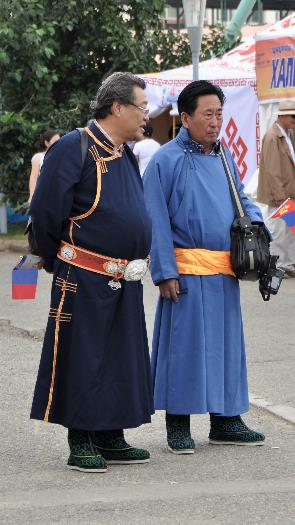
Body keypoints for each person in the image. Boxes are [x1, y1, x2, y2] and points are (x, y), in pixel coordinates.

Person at [30, 72, 154, 473]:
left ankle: (110, 434)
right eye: (142, 108)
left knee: (121, 357)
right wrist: (58, 261)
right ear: (117, 107)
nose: (146, 117)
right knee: (83, 356)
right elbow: (46, 215)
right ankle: (80, 437)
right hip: (82, 276)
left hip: (124, 277)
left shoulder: (125, 154)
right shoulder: (73, 147)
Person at [143, 80, 266, 454]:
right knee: (184, 350)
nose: (215, 122)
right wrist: (165, 270)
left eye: (219, 114)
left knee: (225, 348)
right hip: (186, 271)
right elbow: (155, 219)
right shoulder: (165, 160)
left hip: (223, 269)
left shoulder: (223, 156)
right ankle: (178, 424)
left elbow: (241, 199)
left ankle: (226, 420)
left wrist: (258, 227)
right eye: (208, 114)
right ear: (185, 117)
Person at [257, 100, 295, 277]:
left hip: (289, 192)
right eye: (292, 116)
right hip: (279, 194)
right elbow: (272, 170)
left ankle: (287, 263)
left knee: (290, 229)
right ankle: (279, 264)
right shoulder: (272, 136)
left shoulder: (288, 133)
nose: (294, 119)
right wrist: (280, 195)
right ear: (282, 116)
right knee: (280, 230)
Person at [28, 129, 60, 203]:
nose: (58, 144)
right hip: (43, 195)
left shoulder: (63, 156)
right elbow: (33, 177)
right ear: (46, 143)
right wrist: (32, 195)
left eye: (59, 141)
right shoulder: (38, 157)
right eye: (55, 141)